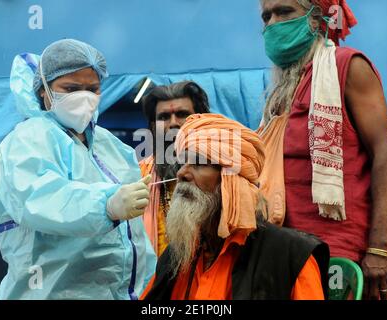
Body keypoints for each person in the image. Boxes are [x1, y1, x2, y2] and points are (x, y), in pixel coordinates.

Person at [0, 39, 156, 299]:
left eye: (93, 88)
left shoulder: (112, 147)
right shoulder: (28, 140)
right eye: (71, 88)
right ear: (44, 90)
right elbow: (40, 199)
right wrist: (106, 205)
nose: (84, 96)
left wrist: (148, 284)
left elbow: (134, 234)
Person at [258, 0, 387, 300]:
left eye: (284, 12)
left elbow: (385, 154)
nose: (272, 23)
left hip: (340, 253)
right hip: (282, 253)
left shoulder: (348, 66)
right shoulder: (279, 93)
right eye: (266, 16)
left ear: (317, 17)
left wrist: (379, 249)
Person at [141, 114, 329, 300]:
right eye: (182, 162)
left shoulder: (290, 255)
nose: (182, 173)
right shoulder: (178, 255)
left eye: (199, 163)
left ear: (231, 180)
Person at [139, 81, 210, 256]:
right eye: (163, 117)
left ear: (202, 119)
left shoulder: (222, 173)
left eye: (182, 114)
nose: (173, 124)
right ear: (153, 126)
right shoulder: (139, 174)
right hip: (156, 278)